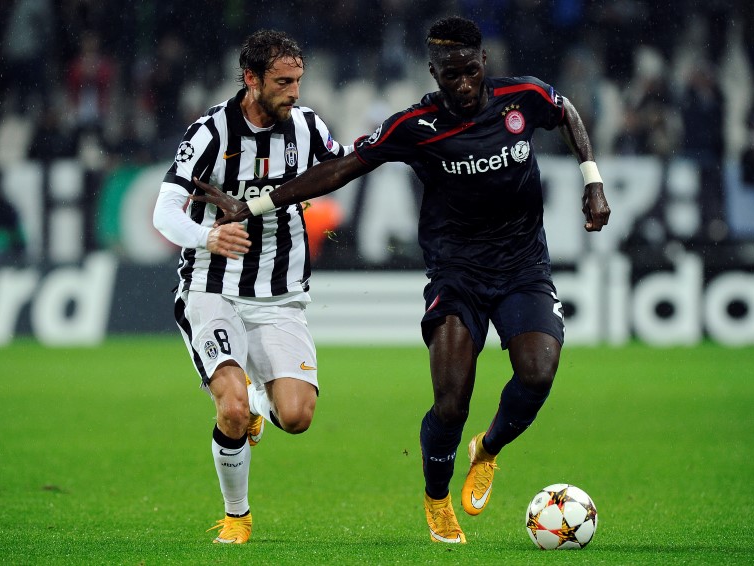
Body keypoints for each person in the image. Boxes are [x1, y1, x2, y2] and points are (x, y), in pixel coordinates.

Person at [192, 16, 610, 544]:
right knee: (451, 401)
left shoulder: (522, 96)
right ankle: (437, 499)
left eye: (470, 71)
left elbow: (566, 110)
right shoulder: (415, 125)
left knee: (538, 374)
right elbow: (340, 171)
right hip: (455, 275)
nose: (461, 85)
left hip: (524, 267)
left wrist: (592, 180)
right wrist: (253, 204)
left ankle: (489, 448)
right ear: (433, 72)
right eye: (449, 75)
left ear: (484, 62)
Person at [152, 29, 350, 544]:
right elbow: (164, 211)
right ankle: (237, 516)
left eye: (298, 81)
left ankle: (260, 405)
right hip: (212, 287)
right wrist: (207, 236)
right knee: (232, 407)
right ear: (251, 79)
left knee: (297, 416)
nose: (294, 92)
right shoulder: (211, 134)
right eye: (283, 82)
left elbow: (339, 167)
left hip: (280, 294)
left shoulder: (306, 127)